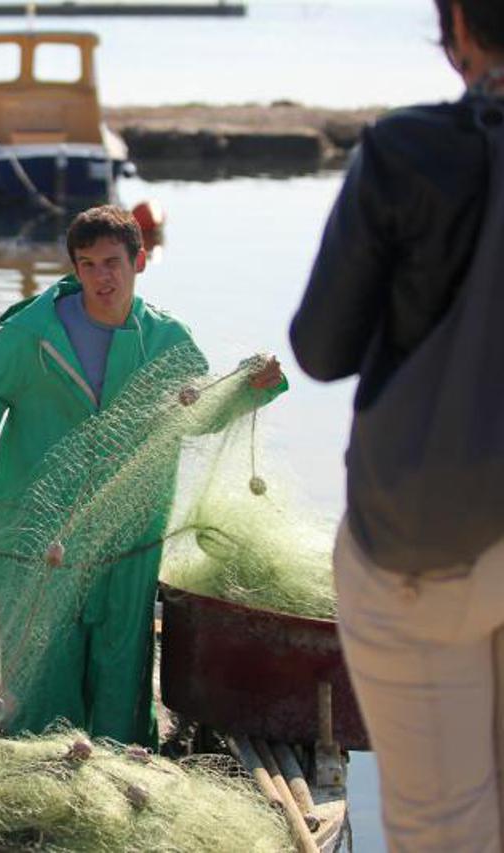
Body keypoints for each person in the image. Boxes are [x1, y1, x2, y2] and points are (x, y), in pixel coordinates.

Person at [0, 205, 286, 745]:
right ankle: (35, 773)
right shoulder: (30, 337)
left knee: (120, 662)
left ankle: (119, 767)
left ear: (139, 262)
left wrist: (252, 389)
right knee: (42, 667)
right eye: (87, 264)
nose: (101, 277)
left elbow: (200, 414)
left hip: (128, 537)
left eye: (113, 262)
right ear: (74, 268)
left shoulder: (167, 342)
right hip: (39, 535)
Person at [290, 1, 504, 848]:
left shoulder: (406, 153)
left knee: (446, 826)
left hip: (424, 538)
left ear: (455, 23)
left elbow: (319, 347)